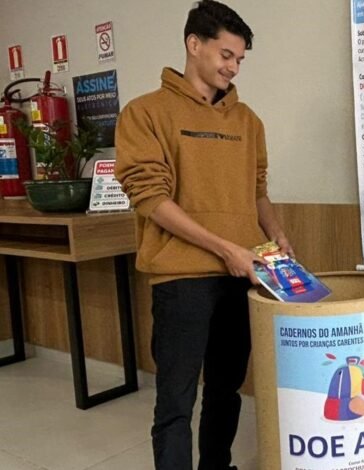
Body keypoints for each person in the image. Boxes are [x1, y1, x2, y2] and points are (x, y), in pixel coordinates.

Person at [114, 1, 293, 469]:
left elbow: (257, 191)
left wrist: (276, 235)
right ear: (194, 45)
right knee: (175, 401)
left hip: (243, 274)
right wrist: (224, 248)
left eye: (240, 59)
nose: (233, 68)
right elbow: (150, 198)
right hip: (181, 279)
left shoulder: (248, 121)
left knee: (226, 390)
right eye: (226, 55)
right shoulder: (144, 113)